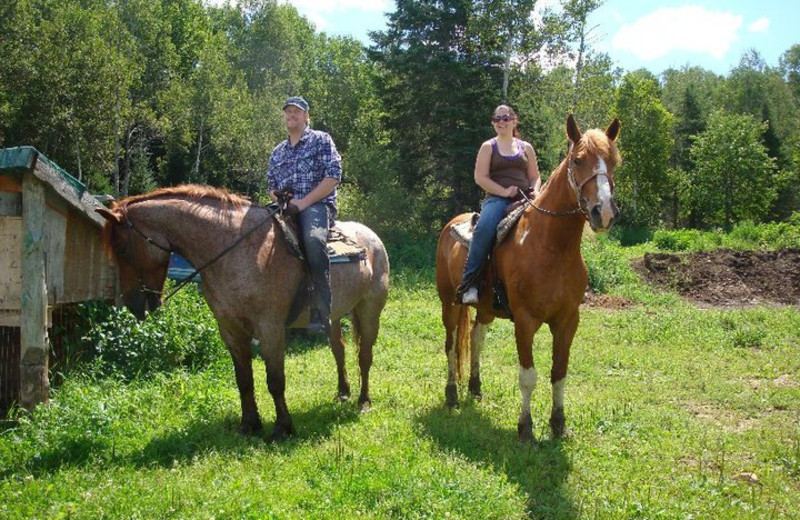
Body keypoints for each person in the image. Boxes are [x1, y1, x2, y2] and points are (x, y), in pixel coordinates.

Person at [268, 96, 342, 335]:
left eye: (296, 112)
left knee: (313, 241)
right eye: (288, 112)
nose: (291, 115)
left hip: (317, 205)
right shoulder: (277, 152)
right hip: (285, 207)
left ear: (306, 116)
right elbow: (271, 184)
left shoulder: (321, 140)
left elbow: (333, 177)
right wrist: (279, 199)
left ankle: (322, 312)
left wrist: (302, 204)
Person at [458, 104, 541, 304]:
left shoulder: (526, 147)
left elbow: (535, 176)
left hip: (525, 198)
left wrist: (536, 190)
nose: (500, 122)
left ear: (514, 121)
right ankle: (470, 284)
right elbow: (480, 177)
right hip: (497, 199)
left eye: (505, 118)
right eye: (496, 119)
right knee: (485, 229)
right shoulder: (489, 147)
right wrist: (504, 191)